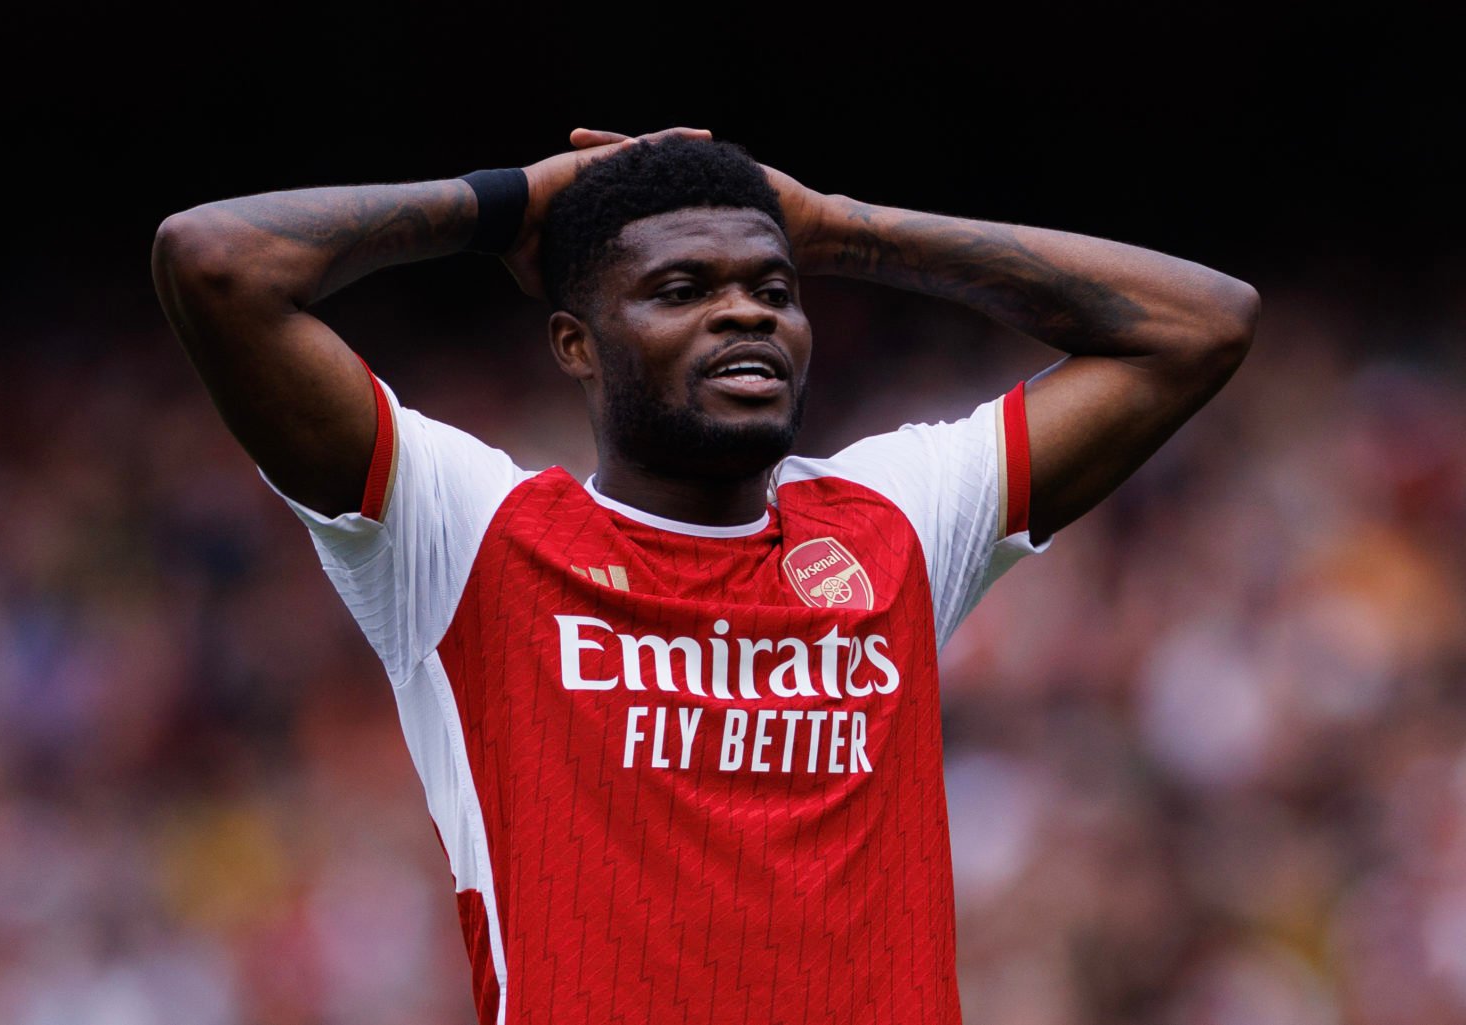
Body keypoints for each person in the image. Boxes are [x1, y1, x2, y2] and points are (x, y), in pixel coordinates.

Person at [151, 126, 1258, 1025]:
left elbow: (1200, 323)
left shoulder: (894, 519)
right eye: (681, 287)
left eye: (774, 288)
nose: (746, 311)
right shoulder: (467, 534)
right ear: (576, 343)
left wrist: (838, 228)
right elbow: (218, 262)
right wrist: (508, 201)